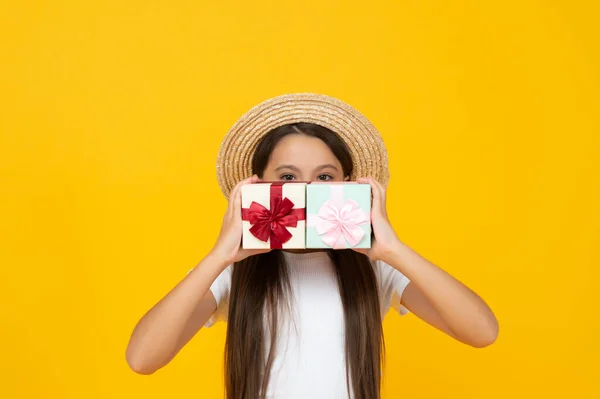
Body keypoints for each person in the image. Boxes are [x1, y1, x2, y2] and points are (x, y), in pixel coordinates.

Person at [125, 93, 499, 399]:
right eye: (288, 177)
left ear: (348, 184)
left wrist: (394, 250)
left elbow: (482, 332)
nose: (306, 192)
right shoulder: (234, 271)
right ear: (258, 185)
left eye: (324, 177)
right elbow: (142, 358)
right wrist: (219, 256)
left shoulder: (374, 266)